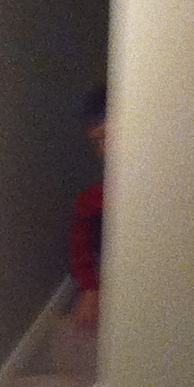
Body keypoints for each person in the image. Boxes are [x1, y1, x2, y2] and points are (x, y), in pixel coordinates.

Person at [69, 84, 106, 329]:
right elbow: (81, 243)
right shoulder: (95, 200)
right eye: (97, 142)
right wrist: (90, 288)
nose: (101, 151)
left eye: (105, 138)